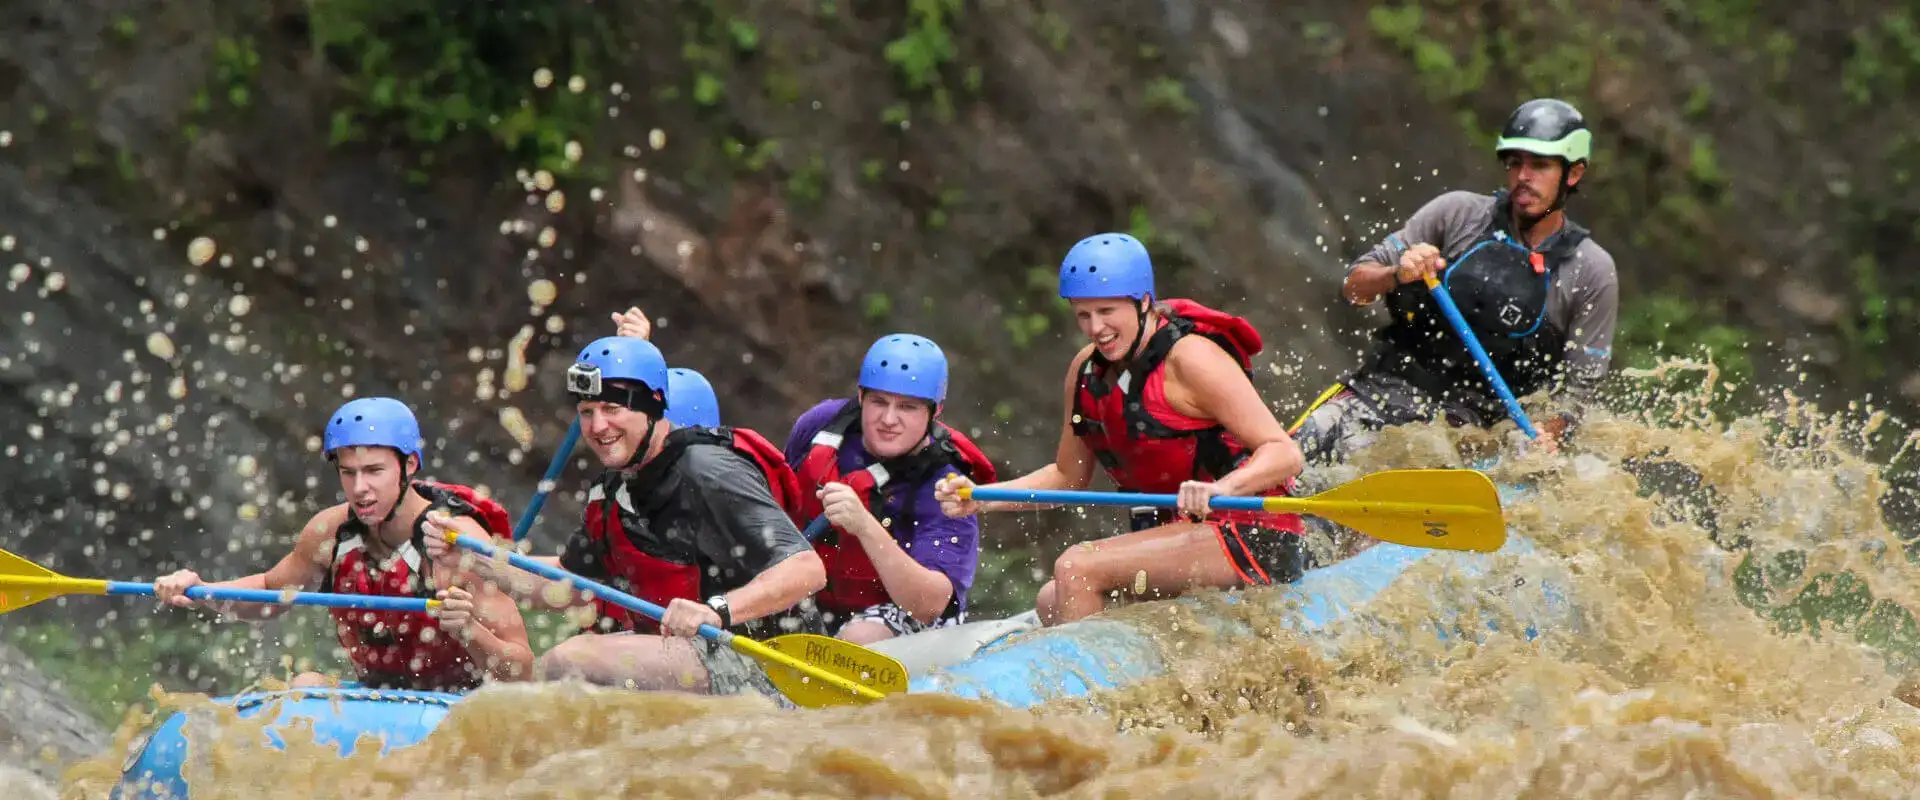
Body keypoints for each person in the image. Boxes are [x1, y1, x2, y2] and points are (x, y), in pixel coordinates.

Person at [935, 232, 1308, 626]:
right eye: (1083, 314)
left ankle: (1084, 689)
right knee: (1051, 599)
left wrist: (1222, 489)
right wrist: (982, 498)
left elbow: (1284, 452)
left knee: (1077, 568)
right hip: (1183, 533)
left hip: (1249, 531)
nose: (1096, 328)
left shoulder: (1192, 359)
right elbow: (1066, 476)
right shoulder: (1085, 371)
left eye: (1107, 311)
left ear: (1144, 302)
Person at [427, 335, 826, 702]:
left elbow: (806, 569)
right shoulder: (614, 488)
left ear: (653, 405)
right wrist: (472, 557)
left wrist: (717, 610)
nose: (598, 427)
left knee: (569, 662)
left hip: (769, 662)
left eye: (612, 409)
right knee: (566, 664)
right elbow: (569, 586)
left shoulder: (707, 470)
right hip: (696, 657)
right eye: (587, 412)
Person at [1292, 97, 1621, 467]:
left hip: (1480, 434)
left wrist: (1551, 431)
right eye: (1515, 164)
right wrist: (1397, 274)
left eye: (1540, 166)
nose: (1523, 177)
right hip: (1384, 394)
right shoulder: (1457, 214)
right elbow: (1354, 287)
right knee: (1298, 457)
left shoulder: (1592, 270)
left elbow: (1579, 389)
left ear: (1573, 175)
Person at [153, 397, 533, 692]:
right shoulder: (330, 532)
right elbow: (271, 594)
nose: (359, 489)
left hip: (457, 702)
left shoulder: (456, 541)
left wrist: (469, 629)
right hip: (376, 696)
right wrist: (201, 590)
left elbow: (522, 671)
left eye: (374, 471)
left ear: (410, 465)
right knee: (305, 686)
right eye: (348, 473)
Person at [784, 334, 997, 643]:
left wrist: (865, 526)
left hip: (904, 614)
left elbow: (930, 605)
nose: (888, 419)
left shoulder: (946, 486)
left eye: (907, 407)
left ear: (934, 411)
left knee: (859, 637)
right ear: (860, 397)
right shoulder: (822, 425)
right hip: (815, 596)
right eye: (878, 402)